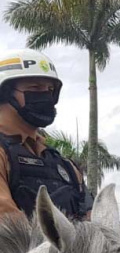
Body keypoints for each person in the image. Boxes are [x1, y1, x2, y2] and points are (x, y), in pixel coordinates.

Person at [0, 49, 92, 219]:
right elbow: (7, 223)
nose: (46, 96)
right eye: (35, 87)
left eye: (50, 90)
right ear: (5, 93)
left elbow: (91, 222)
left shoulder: (66, 166)